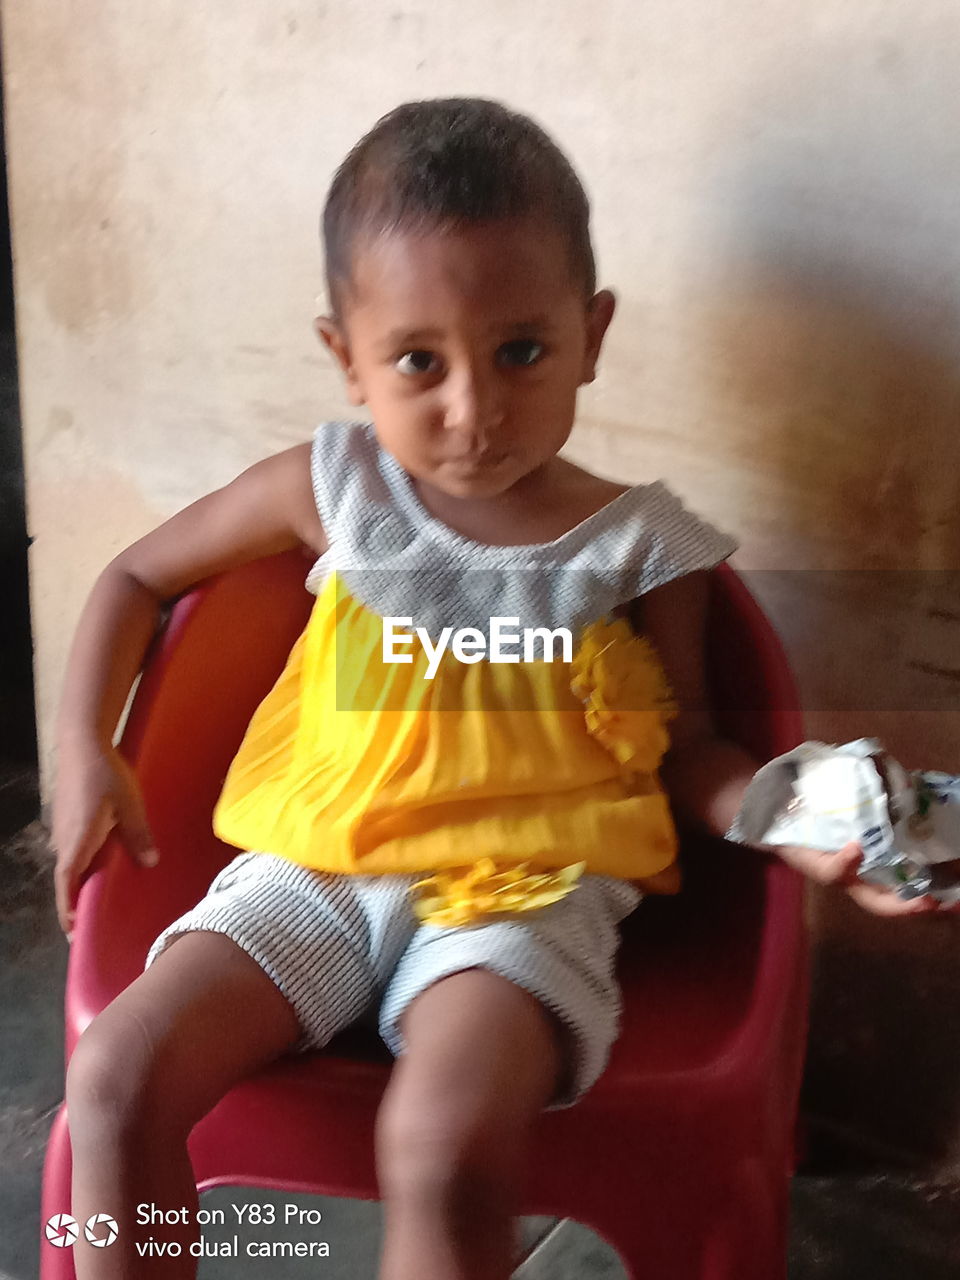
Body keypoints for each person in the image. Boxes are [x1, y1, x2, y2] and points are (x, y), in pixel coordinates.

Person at [51, 98, 948, 1280]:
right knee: (114, 1081)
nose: (474, 412)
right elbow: (134, 577)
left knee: (442, 1143)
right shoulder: (327, 487)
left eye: (522, 349)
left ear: (591, 331)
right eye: (419, 360)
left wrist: (817, 827)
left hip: (518, 898)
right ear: (345, 355)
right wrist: (82, 743)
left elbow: (690, 754)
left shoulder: (645, 547)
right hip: (312, 869)